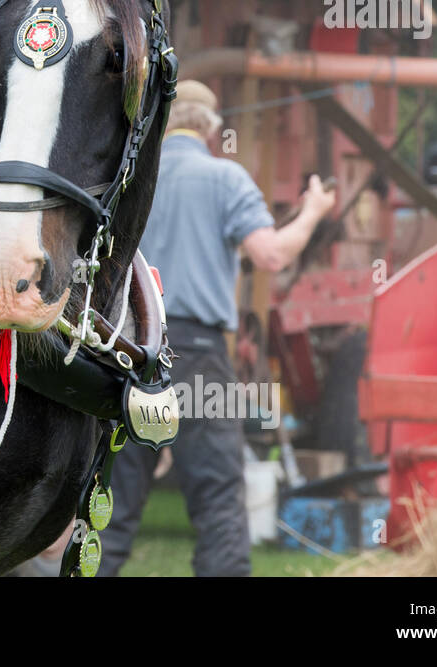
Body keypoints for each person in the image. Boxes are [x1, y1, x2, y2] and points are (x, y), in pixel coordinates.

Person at [97, 80, 336, 577]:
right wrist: (312, 213)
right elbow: (269, 254)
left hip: (129, 350)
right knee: (219, 494)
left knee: (114, 501)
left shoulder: (135, 177)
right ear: (211, 128)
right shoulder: (226, 178)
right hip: (199, 353)